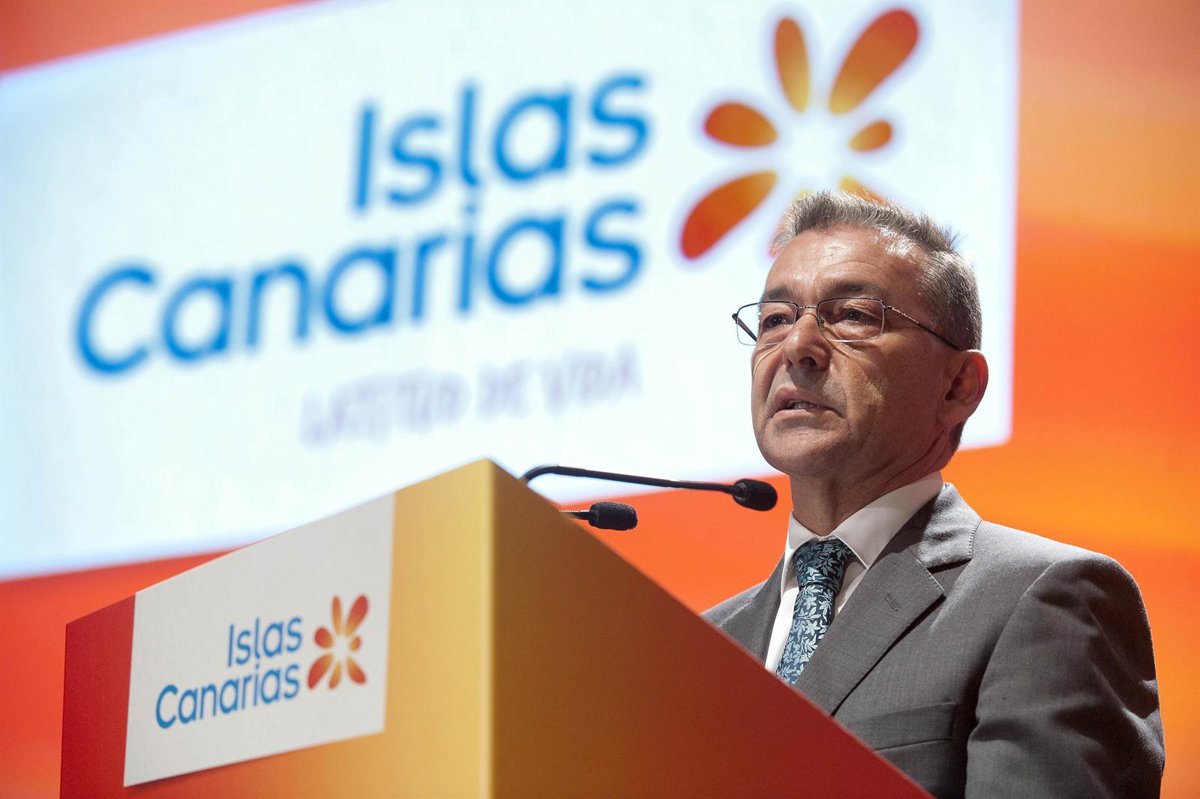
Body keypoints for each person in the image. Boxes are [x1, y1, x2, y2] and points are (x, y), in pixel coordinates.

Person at [705, 191, 1163, 797]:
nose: (797, 346)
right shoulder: (697, 650)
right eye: (775, 320)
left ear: (958, 387)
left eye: (853, 316)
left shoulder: (1044, 598)